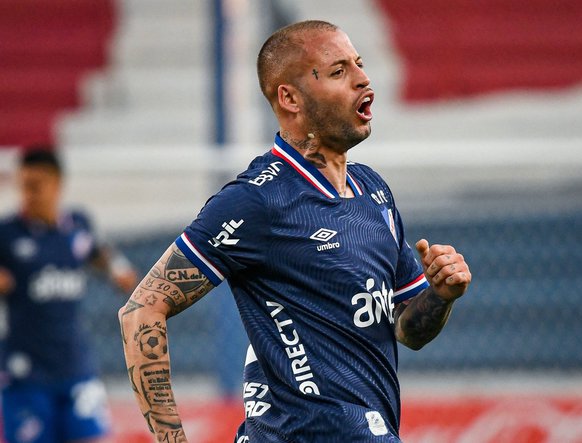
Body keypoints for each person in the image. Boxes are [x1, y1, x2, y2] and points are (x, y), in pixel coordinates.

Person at [118, 20, 472, 443]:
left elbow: (407, 330)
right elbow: (141, 311)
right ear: (290, 98)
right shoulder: (258, 200)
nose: (363, 79)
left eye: (359, 64)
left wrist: (440, 295)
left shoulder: (374, 191)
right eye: (339, 71)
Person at [0, 148, 137, 443]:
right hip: (25, 373)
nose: (28, 194)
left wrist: (118, 270)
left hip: (76, 368)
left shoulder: (77, 224)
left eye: (35, 185)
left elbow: (99, 252)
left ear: (57, 183)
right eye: (23, 186)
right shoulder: (7, 234)